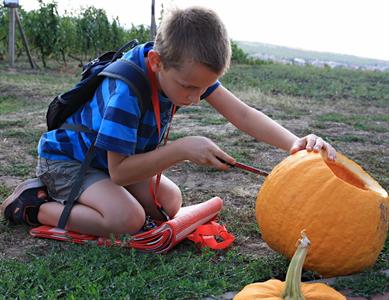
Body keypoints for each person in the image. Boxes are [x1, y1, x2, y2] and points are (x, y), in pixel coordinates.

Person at [1, 6, 336, 237]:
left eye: (204, 89)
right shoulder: (127, 92)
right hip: (71, 163)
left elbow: (243, 114)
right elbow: (120, 173)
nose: (194, 97)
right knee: (128, 219)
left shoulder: (182, 68)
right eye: (189, 88)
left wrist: (294, 143)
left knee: (169, 204)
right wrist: (182, 150)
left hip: (108, 163)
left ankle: (93, 199)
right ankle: (35, 205)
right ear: (156, 61)